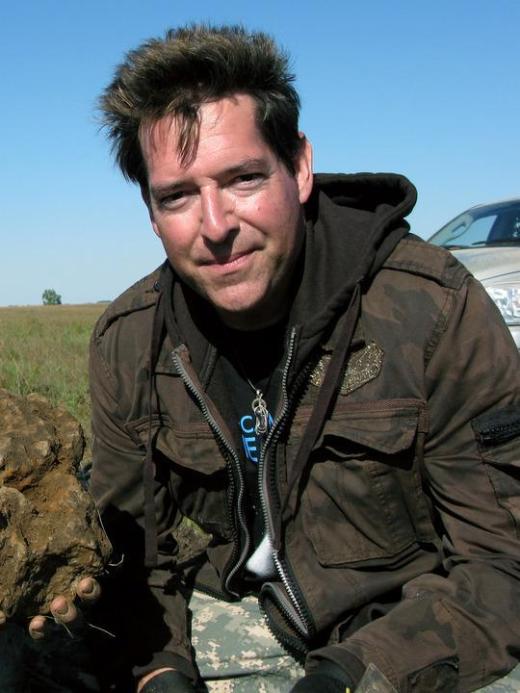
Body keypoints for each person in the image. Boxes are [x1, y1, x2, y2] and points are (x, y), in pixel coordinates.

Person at [82, 24, 520, 692]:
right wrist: (159, 672)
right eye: (178, 195)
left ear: (300, 166)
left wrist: (349, 677)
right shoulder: (129, 343)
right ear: (150, 210)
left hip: (413, 633)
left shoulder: (431, 310)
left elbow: (502, 564)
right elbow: (133, 563)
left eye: (243, 178)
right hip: (237, 617)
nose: (216, 225)